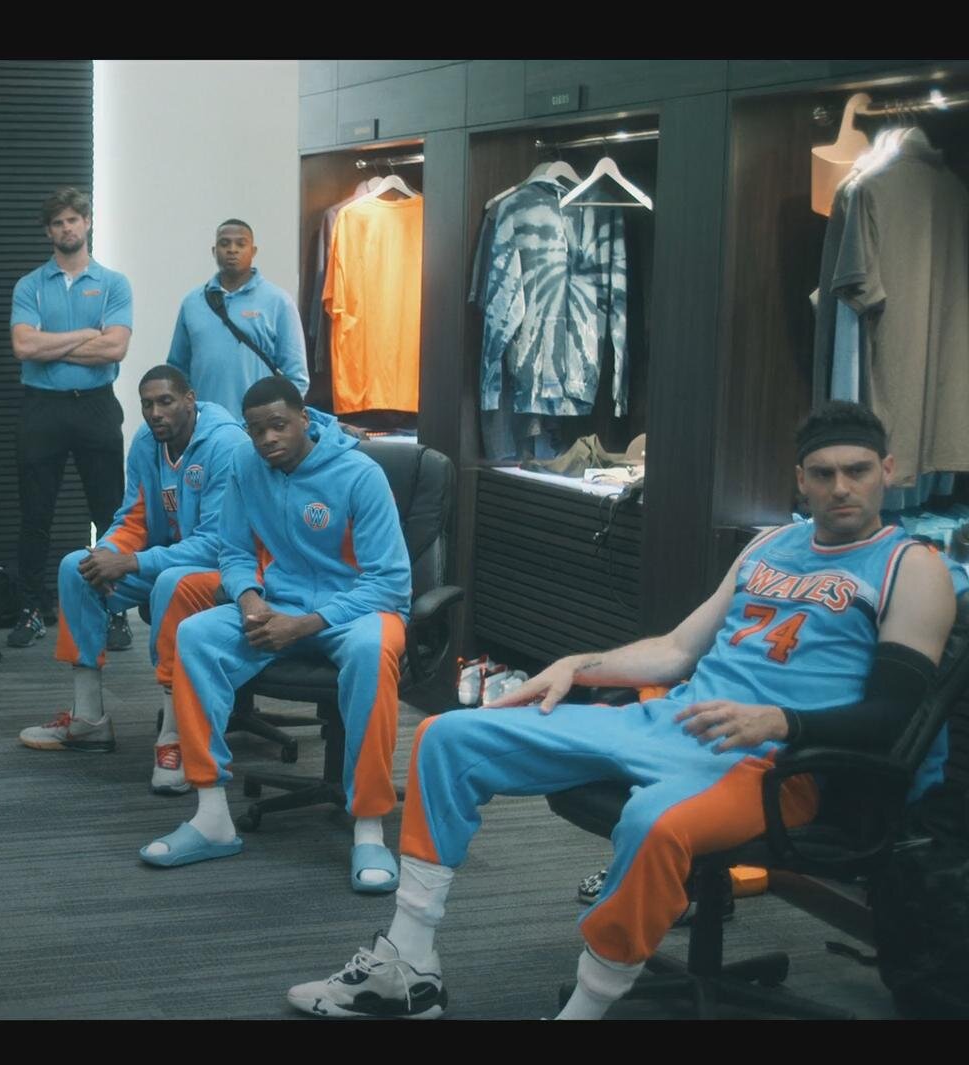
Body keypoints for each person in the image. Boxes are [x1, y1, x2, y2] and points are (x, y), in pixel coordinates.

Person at [286, 400, 954, 1020]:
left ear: (887, 472)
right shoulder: (768, 546)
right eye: (824, 474)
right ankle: (407, 965)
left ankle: (585, 1009)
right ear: (801, 480)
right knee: (447, 738)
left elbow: (893, 714)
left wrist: (783, 722)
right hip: (670, 723)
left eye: (857, 471)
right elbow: (676, 650)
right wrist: (579, 665)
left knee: (654, 822)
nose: (841, 487)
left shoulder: (910, 566)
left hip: (775, 762)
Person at [143, 377, 410, 892]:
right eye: (256, 430)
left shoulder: (361, 475)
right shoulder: (246, 466)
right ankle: (212, 817)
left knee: (373, 651)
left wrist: (308, 624)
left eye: (279, 425)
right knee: (196, 635)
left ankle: (369, 827)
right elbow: (234, 551)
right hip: (278, 601)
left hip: (358, 608)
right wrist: (248, 599)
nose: (267, 439)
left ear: (304, 420)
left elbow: (390, 582)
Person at [17, 366, 249, 796]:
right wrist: (105, 555)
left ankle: (174, 738)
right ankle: (88, 721)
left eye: (166, 402)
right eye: (147, 404)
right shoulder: (147, 442)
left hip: (226, 568)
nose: (155, 412)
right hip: (163, 559)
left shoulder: (226, 444)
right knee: (76, 568)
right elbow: (133, 517)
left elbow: (217, 543)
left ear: (190, 400)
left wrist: (132, 563)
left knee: (172, 583)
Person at [6, 187, 134, 649]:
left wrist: (52, 344)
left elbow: (115, 348)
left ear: (87, 223)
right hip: (43, 407)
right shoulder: (30, 285)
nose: (66, 228)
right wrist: (84, 334)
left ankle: (115, 612)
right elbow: (24, 346)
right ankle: (31, 610)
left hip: (96, 405)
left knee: (109, 512)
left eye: (73, 220)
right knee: (34, 514)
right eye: (58, 222)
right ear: (49, 231)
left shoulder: (114, 283)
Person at [165, 219, 308, 420]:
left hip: (258, 427)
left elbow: (296, 376)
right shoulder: (192, 303)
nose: (232, 250)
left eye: (241, 244)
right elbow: (177, 371)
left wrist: (275, 422)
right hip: (206, 425)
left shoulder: (278, 301)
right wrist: (189, 418)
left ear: (253, 251)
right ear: (214, 251)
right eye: (224, 244)